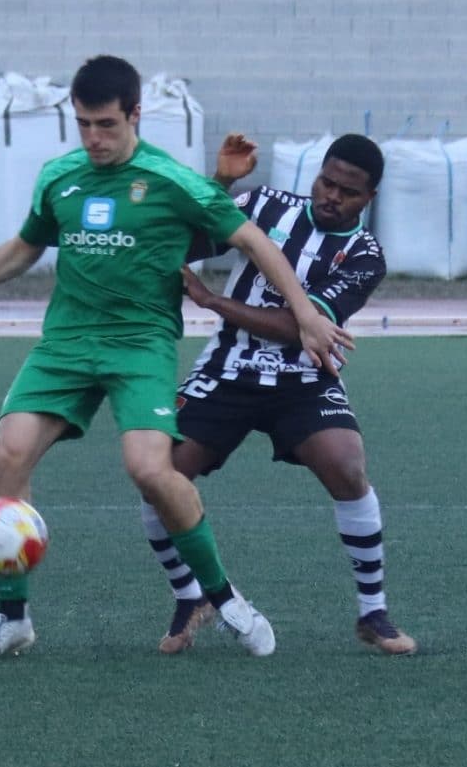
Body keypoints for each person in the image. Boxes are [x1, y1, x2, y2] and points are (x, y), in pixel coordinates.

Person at [0, 55, 352, 660]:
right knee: (7, 455)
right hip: (66, 342)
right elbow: (25, 245)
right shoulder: (60, 176)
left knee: (149, 471)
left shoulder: (172, 181)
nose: (93, 138)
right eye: (84, 124)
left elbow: (253, 240)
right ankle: (12, 618)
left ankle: (222, 597)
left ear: (135, 116)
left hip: (139, 342)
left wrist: (305, 315)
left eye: (106, 125)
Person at [141, 133, 417, 655]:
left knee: (347, 464)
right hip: (229, 367)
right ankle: (189, 596)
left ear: (370, 198)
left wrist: (211, 300)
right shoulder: (265, 205)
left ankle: (372, 612)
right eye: (326, 181)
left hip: (303, 377)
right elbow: (187, 238)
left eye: (347, 192)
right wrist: (220, 181)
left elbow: (298, 327)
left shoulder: (364, 256)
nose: (331, 195)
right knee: (159, 475)